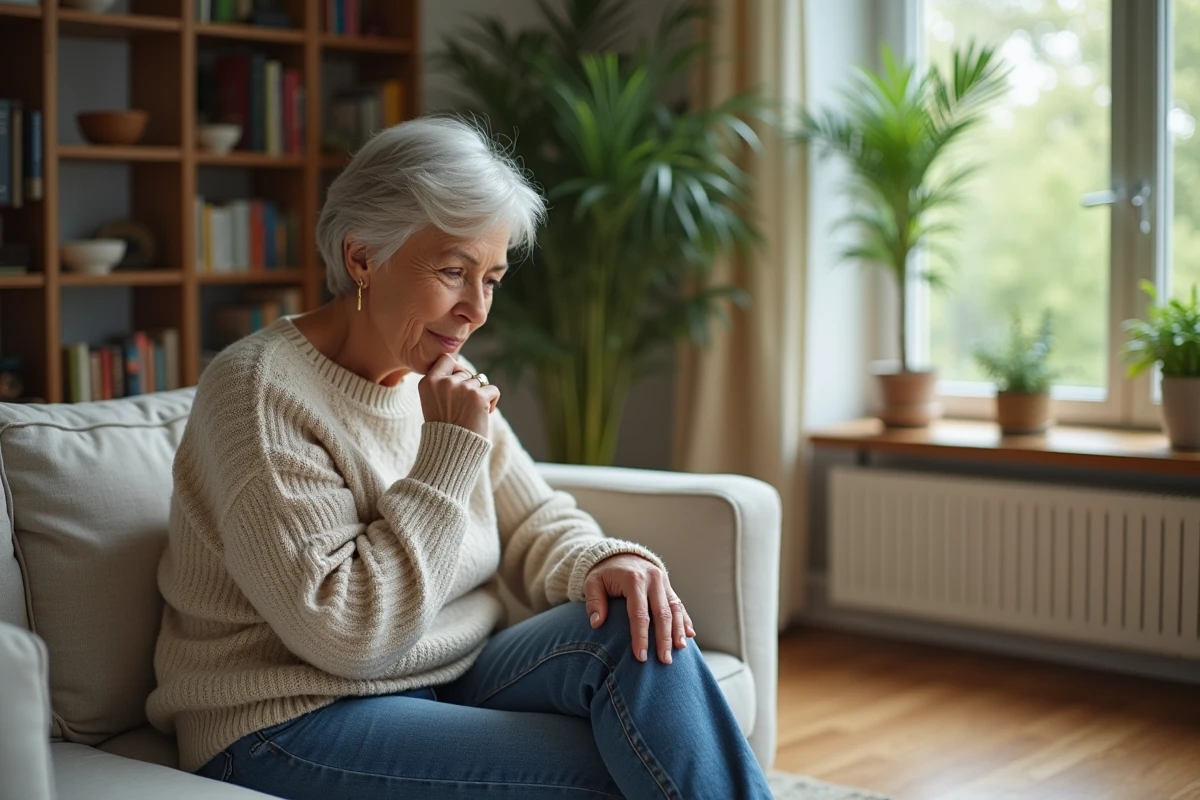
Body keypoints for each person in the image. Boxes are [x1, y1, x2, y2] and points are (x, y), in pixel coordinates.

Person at [146, 116, 773, 799]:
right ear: (362, 258)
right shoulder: (258, 391)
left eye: (493, 278)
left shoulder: (438, 373)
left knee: (634, 622)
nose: (475, 309)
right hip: (286, 719)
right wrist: (447, 454)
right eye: (453, 271)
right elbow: (348, 635)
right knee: (632, 766)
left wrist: (606, 560)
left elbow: (534, 518)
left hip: (448, 673)